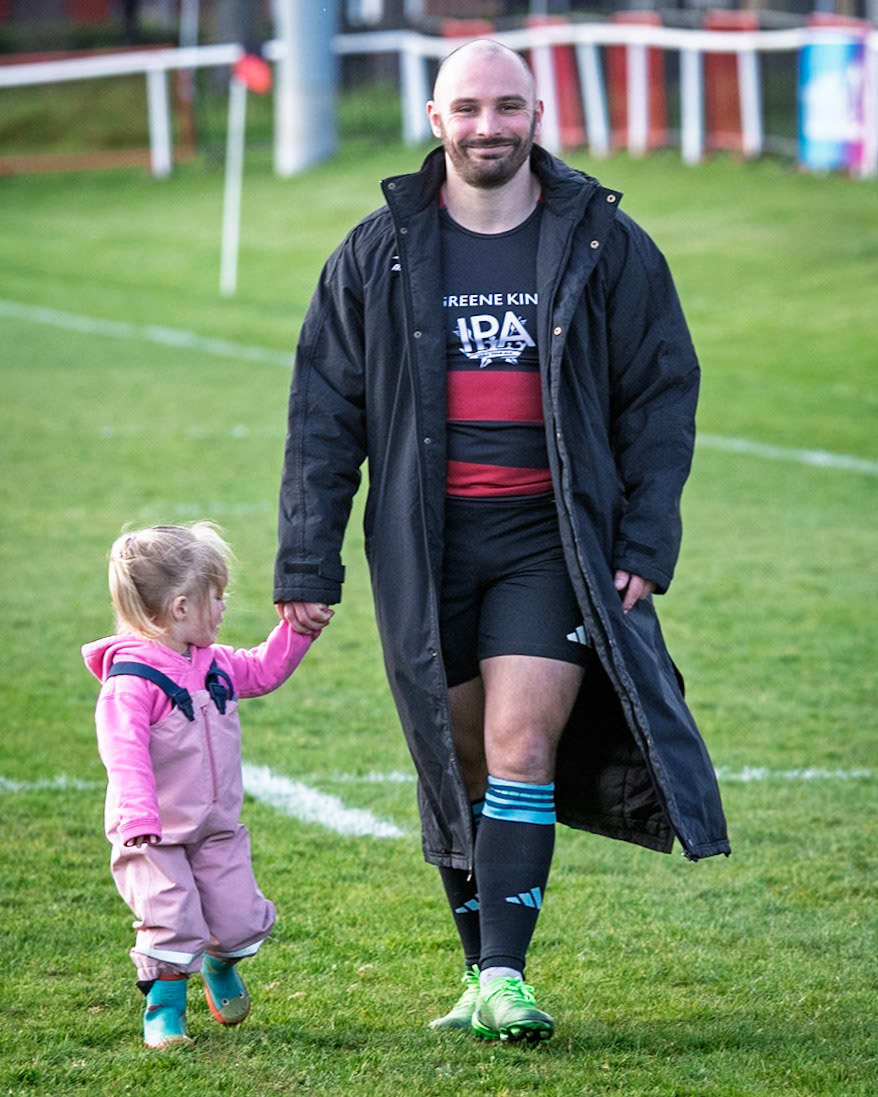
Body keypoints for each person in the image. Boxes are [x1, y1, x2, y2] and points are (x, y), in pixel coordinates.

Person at [274, 39, 729, 1043]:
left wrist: (646, 538)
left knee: (520, 743)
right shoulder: (376, 251)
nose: (489, 126)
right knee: (461, 763)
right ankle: (480, 970)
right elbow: (322, 410)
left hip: (548, 535)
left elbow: (660, 392)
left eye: (507, 106)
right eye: (468, 108)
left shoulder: (606, 244)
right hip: (422, 539)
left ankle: (506, 977)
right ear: (435, 120)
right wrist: (307, 560)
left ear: (536, 115)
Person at [83, 522, 322, 1049]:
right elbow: (124, 758)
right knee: (171, 921)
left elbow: (262, 671)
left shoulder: (212, 663)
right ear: (180, 609)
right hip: (153, 834)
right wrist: (138, 818)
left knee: (240, 922)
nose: (224, 607)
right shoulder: (132, 680)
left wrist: (298, 631)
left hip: (216, 828)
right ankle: (163, 1011)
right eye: (217, 596)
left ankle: (220, 961)